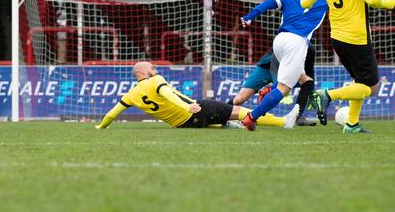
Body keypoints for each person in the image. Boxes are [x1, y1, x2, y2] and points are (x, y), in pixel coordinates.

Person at [301, 0, 395, 133]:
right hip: (358, 38)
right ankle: (327, 95)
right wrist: (391, 2)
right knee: (372, 87)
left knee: (359, 81)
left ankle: (351, 124)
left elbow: (305, 3)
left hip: (337, 39)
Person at [239, 0, 328, 131]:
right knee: (284, 89)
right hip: (297, 43)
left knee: (304, 80)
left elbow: (268, 4)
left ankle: (268, 91)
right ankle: (250, 118)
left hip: (279, 41)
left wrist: (250, 16)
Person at [95, 62, 299, 130]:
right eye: (152, 67)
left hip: (181, 124)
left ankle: (224, 123)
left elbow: (113, 114)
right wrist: (187, 107)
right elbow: (167, 94)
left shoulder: (131, 94)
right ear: (143, 72)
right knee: (239, 111)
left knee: (224, 118)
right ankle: (283, 122)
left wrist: (101, 126)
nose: (155, 69)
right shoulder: (155, 81)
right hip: (195, 110)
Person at [231, 47, 317, 126]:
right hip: (266, 67)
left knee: (306, 81)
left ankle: (297, 117)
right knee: (238, 100)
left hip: (286, 71)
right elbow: (274, 64)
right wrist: (273, 87)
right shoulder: (289, 41)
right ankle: (222, 114)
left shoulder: (309, 50)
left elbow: (310, 74)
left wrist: (311, 93)